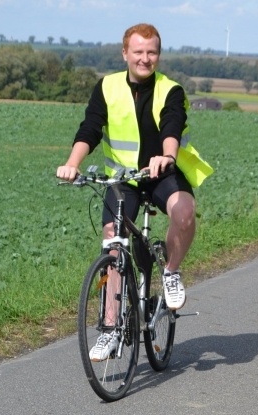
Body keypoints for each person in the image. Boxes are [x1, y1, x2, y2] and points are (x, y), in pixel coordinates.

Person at [56, 23, 213, 361]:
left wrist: (167, 157)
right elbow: (90, 127)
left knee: (184, 212)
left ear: (159, 54)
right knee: (113, 243)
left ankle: (170, 271)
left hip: (160, 173)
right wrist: (72, 164)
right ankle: (110, 330)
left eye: (152, 52)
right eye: (138, 52)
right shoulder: (107, 86)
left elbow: (172, 125)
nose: (145, 58)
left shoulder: (170, 90)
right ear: (125, 53)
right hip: (123, 177)